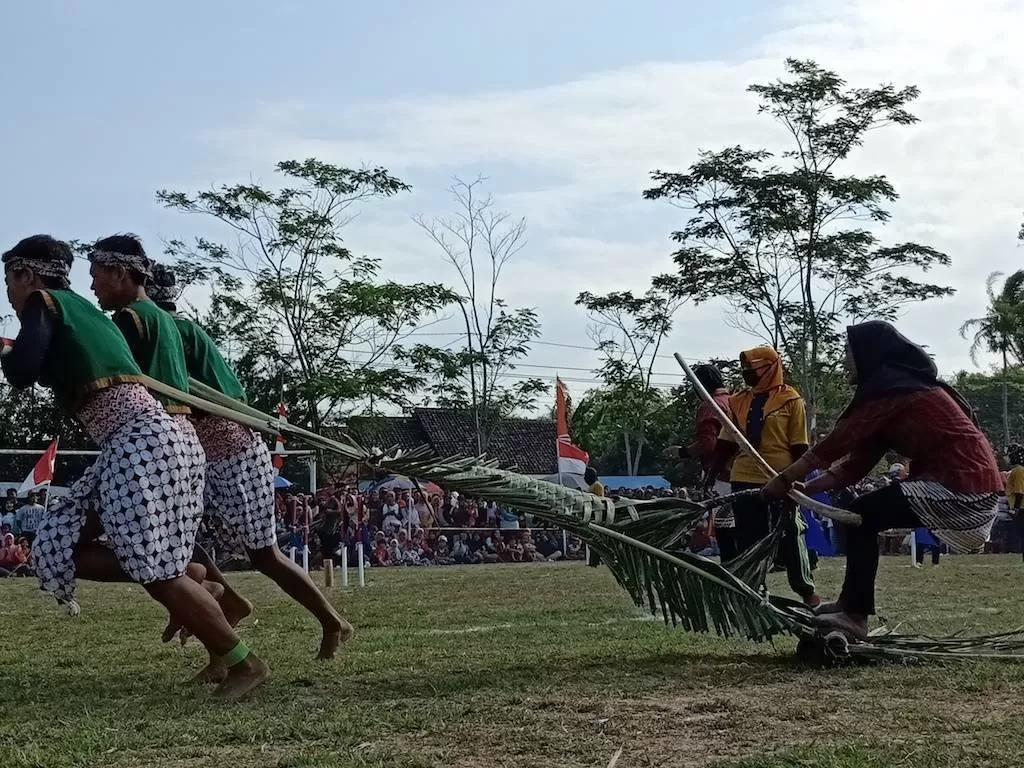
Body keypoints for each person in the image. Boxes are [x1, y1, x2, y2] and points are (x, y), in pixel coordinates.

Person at [1, 234, 267, 698]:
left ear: (28, 276)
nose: (8, 291)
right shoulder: (83, 314)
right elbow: (50, 365)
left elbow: (22, 373)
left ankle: (243, 661)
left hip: (143, 442)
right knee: (55, 544)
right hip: (153, 440)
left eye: (9, 279)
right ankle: (197, 584)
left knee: (154, 570)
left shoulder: (45, 303)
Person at [147, 263, 350, 659]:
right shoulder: (173, 331)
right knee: (175, 542)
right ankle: (227, 602)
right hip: (196, 451)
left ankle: (332, 621)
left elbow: (202, 396)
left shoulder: (173, 332)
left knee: (264, 553)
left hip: (230, 448)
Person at [762, 321, 1003, 640]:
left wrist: (781, 480)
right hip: (966, 485)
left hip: (962, 487)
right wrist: (807, 488)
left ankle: (855, 614)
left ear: (867, 355)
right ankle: (851, 605)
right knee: (861, 514)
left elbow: (833, 445)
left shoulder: (892, 392)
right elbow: (854, 466)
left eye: (849, 353)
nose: (845, 361)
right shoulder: (893, 391)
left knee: (862, 516)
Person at [706, 347, 819, 607]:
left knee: (790, 531)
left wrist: (796, 478)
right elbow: (726, 442)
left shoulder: (791, 400)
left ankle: (806, 590)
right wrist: (711, 474)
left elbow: (800, 446)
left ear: (769, 368)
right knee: (748, 536)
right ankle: (755, 591)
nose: (746, 374)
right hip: (744, 475)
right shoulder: (737, 402)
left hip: (780, 475)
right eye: (744, 369)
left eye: (752, 369)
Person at [666, 363, 738, 561]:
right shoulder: (734, 400)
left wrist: (683, 452)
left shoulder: (710, 406)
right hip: (744, 472)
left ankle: (733, 570)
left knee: (725, 526)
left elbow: (709, 444)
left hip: (722, 473)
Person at [1005, 444, 1024, 561]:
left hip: (1021, 508)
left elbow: (1019, 491)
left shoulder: (1018, 471)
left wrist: (1015, 508)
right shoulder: (1016, 471)